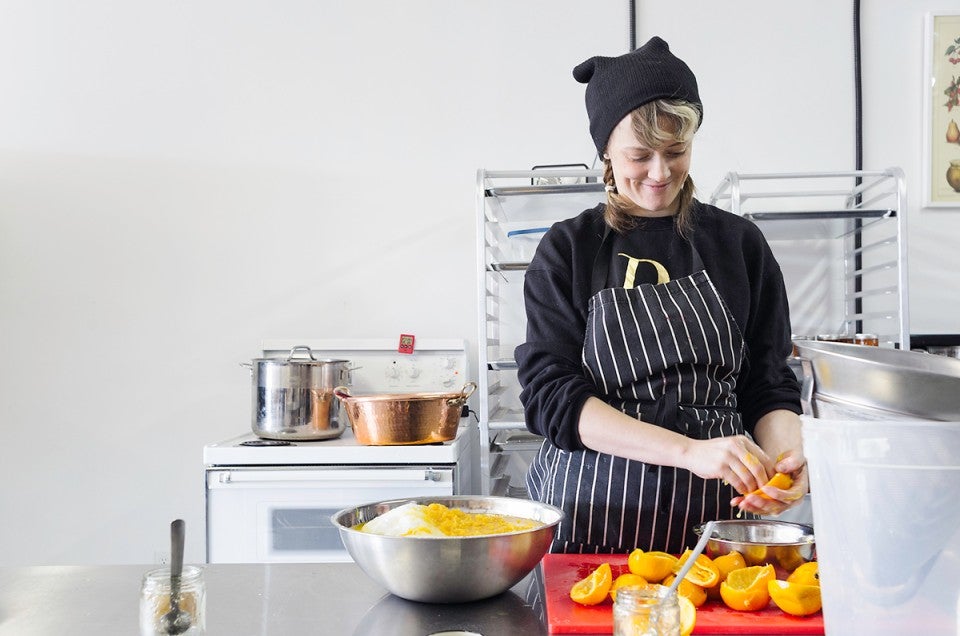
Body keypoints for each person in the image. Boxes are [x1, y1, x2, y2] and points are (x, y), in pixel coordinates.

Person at [515, 36, 807, 555]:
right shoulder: (570, 249)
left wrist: (788, 461)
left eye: (676, 152)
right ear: (605, 149)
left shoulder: (739, 245)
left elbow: (768, 380)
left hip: (718, 525)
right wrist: (688, 451)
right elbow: (551, 397)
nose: (660, 172)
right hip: (592, 519)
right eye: (638, 155)